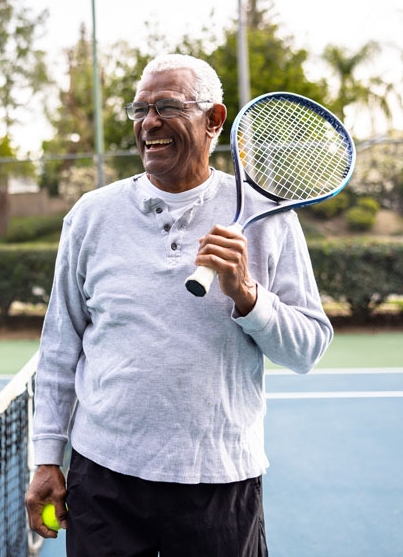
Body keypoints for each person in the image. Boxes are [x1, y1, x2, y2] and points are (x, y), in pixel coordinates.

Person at [25, 53, 333, 556]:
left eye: (167, 106)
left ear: (214, 120)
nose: (149, 122)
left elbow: (308, 349)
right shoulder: (91, 216)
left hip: (220, 478)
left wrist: (247, 296)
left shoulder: (269, 217)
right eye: (140, 109)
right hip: (104, 479)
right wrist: (46, 457)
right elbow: (60, 346)